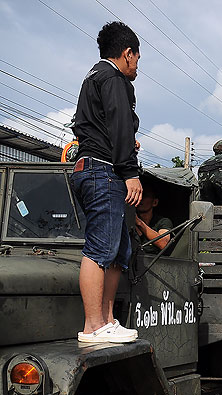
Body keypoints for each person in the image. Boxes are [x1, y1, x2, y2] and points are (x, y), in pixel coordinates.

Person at [70, 21, 142, 344]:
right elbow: (119, 123)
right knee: (100, 248)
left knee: (118, 250)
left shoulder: (91, 78)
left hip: (90, 166)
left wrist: (121, 145)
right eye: (138, 58)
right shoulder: (113, 78)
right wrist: (130, 171)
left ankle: (108, 320)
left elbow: (85, 126)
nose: (137, 65)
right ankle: (93, 325)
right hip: (103, 171)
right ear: (127, 54)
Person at [134, 180, 172, 254]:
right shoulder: (128, 220)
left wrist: (139, 223)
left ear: (155, 202)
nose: (140, 198)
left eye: (145, 196)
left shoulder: (163, 222)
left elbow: (163, 243)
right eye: (139, 194)